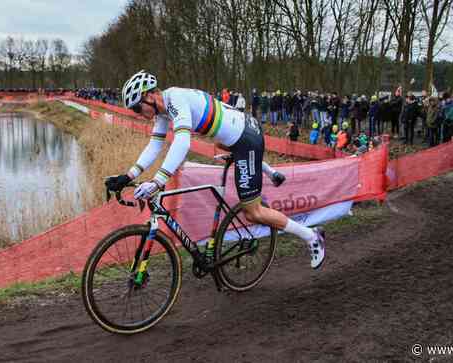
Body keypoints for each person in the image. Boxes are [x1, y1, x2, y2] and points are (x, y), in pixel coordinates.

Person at [108, 70, 326, 268]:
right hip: (238, 133)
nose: (138, 112)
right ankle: (267, 170)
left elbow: (182, 143)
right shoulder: (163, 112)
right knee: (218, 143)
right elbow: (155, 144)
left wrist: (157, 181)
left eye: (137, 107)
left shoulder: (175, 100)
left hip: (246, 141)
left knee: (253, 213)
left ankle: (311, 236)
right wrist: (128, 175)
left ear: (149, 96)